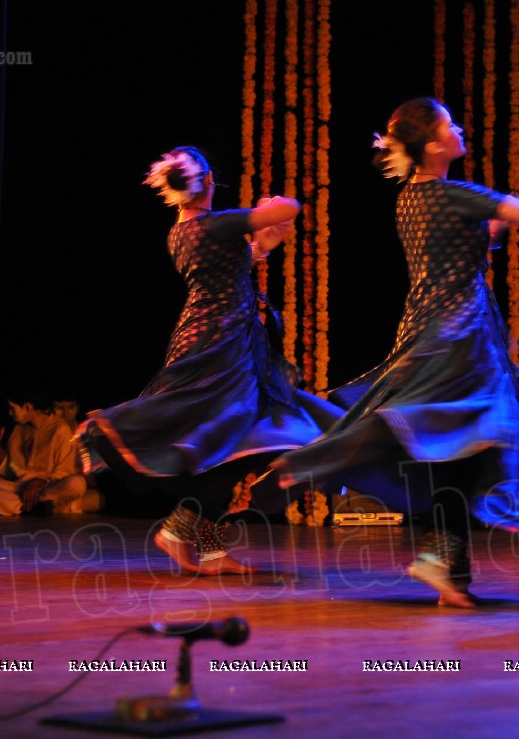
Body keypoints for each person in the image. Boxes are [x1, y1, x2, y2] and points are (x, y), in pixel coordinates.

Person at [266, 98, 519, 608]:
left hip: (424, 331)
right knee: (473, 437)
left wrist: (489, 226)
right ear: (435, 145)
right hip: (460, 337)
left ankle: (448, 566)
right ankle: (444, 557)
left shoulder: (411, 200)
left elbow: (462, 242)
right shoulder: (456, 193)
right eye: (450, 125)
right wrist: (501, 203)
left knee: (453, 444)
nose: (459, 128)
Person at [77, 146, 341, 575]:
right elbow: (292, 207)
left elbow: (228, 269)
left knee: (225, 445)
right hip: (220, 345)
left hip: (215, 340)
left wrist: (262, 246)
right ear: (206, 181)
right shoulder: (217, 223)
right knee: (239, 441)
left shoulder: (182, 231)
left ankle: (211, 549)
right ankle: (179, 530)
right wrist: (273, 208)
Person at [0, 388, 87, 516]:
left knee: (77, 484)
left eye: (13, 408)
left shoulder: (60, 430)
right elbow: (13, 473)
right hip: (20, 488)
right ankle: (31, 507)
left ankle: (21, 505)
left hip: (46, 489)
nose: (10, 413)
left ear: (27, 407)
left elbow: (64, 473)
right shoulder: (19, 430)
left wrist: (37, 482)